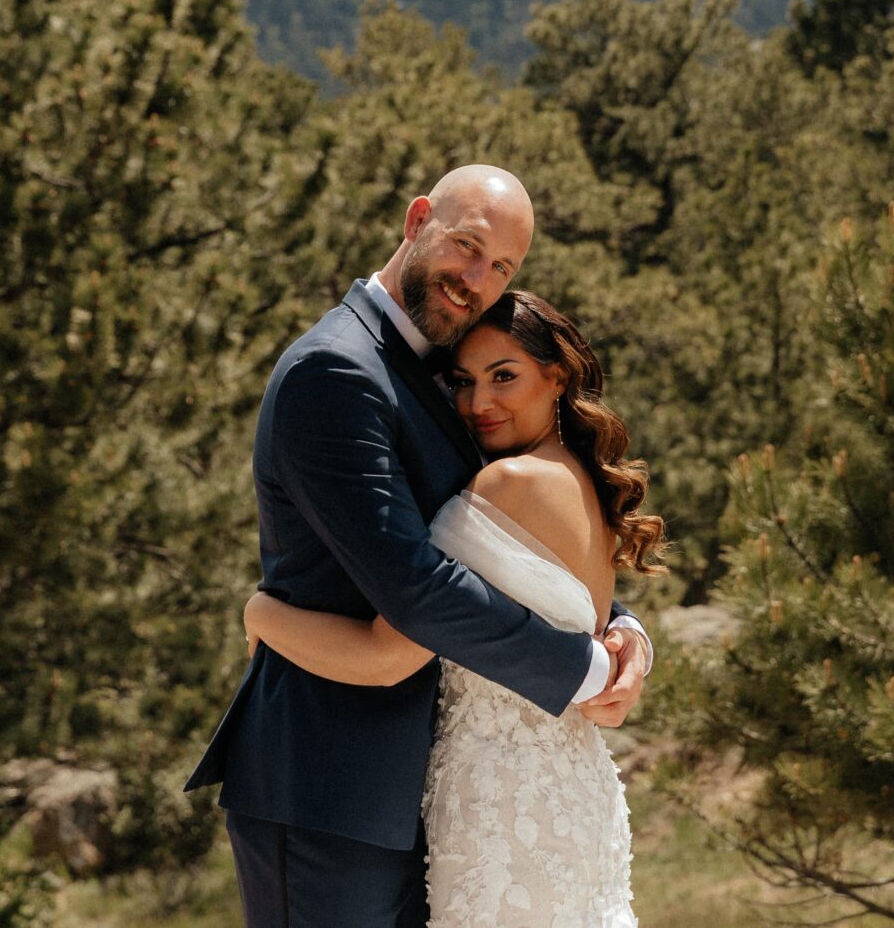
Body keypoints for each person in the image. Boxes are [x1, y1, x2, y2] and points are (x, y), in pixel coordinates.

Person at [185, 165, 652, 928]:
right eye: (467, 246)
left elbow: (503, 549)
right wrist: (581, 666)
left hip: (426, 796)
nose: (476, 279)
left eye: (501, 266)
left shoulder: (446, 365)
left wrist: (622, 628)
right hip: (329, 788)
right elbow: (417, 585)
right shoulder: (335, 371)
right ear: (418, 219)